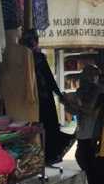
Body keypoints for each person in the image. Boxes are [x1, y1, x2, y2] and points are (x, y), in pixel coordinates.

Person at [20, 29, 74, 164]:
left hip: (26, 101)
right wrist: (59, 95)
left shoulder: (20, 58)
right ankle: (48, 156)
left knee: (35, 130)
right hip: (43, 99)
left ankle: (36, 158)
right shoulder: (38, 57)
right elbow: (49, 79)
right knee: (48, 127)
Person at [62, 65, 102, 184]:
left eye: (90, 74)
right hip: (83, 129)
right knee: (83, 158)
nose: (86, 77)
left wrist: (75, 103)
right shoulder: (82, 90)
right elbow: (75, 111)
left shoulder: (96, 90)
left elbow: (89, 110)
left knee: (89, 160)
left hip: (93, 130)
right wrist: (66, 103)